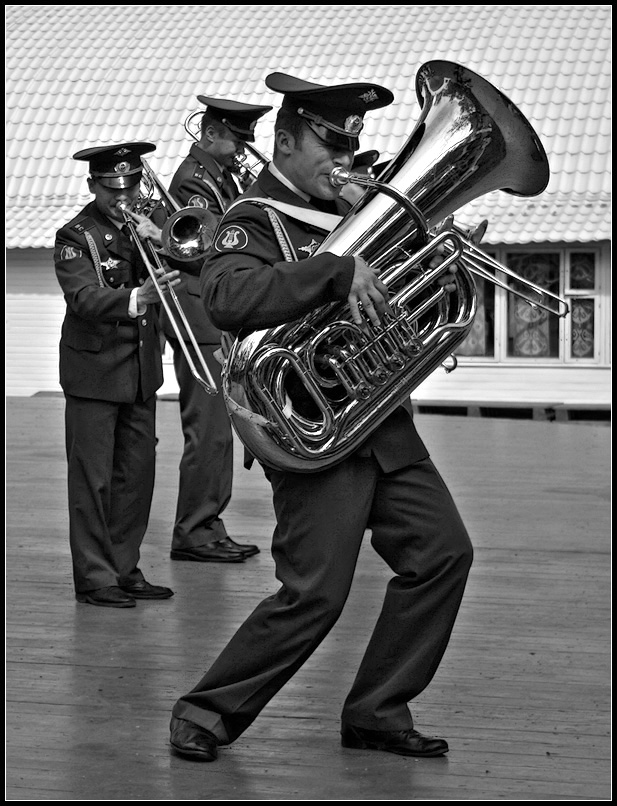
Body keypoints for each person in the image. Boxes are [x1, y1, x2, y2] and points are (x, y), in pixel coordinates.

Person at [169, 74, 473, 760]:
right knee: (315, 594)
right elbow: (226, 297)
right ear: (286, 139)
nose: (345, 155)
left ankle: (376, 709)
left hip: (380, 425)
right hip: (312, 428)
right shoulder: (255, 216)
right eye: (330, 143)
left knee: (442, 554)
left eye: (352, 142)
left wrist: (427, 256)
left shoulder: (351, 211)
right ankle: (205, 711)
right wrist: (334, 267)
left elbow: (385, 311)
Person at [54, 141, 197, 608]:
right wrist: (140, 297)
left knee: (136, 478)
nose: (123, 196)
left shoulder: (147, 225)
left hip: (139, 372)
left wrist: (162, 240)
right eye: (112, 187)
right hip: (93, 374)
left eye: (131, 185)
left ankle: (124, 568)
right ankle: (96, 578)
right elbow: (85, 299)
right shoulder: (76, 236)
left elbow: (196, 261)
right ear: (92, 185)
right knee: (93, 481)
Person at [163, 96, 272, 564]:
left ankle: (206, 524)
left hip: (212, 312)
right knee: (209, 431)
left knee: (219, 430)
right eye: (234, 140)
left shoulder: (221, 177)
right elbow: (208, 249)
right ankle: (195, 529)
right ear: (209, 134)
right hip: (198, 313)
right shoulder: (194, 181)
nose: (240, 150)